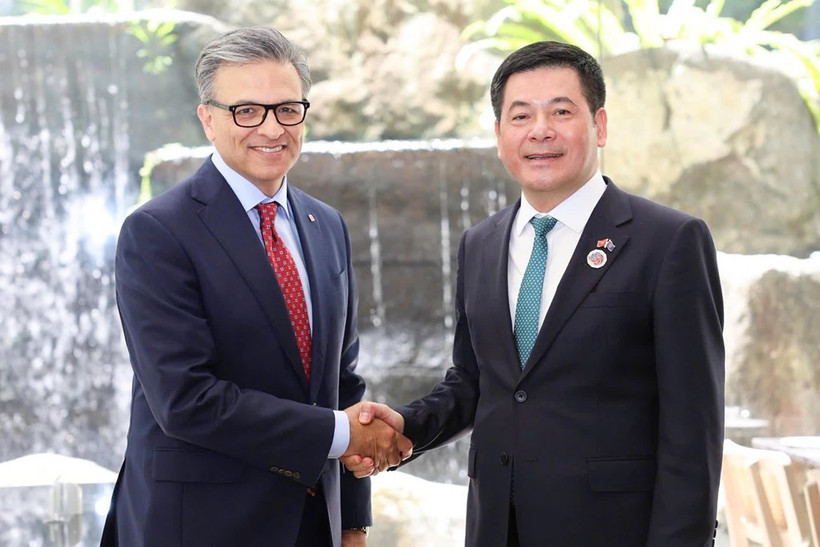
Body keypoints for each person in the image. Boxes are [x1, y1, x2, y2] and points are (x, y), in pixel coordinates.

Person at [345, 41, 725, 546]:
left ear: (600, 125)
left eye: (561, 111)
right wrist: (407, 428)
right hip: (496, 527)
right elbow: (474, 381)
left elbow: (693, 427)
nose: (540, 130)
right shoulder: (480, 244)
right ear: (501, 134)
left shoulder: (669, 240)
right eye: (520, 115)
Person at [100, 26, 410, 547]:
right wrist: (339, 435)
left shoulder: (326, 224)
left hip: (314, 526)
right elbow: (186, 399)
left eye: (287, 108)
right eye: (247, 110)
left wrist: (353, 522)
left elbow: (343, 384)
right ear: (208, 119)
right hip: (198, 525)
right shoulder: (157, 231)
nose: (271, 128)